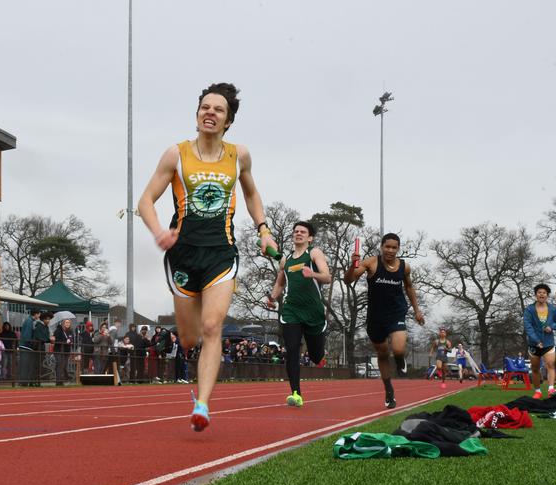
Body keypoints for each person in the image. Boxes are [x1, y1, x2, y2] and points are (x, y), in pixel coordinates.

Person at [137, 82, 278, 431]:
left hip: (221, 254)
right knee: (188, 339)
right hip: (182, 256)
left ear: (228, 121)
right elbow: (145, 202)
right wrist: (158, 232)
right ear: (197, 114)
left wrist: (263, 228)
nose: (210, 113)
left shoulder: (239, 156)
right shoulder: (176, 154)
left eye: (218, 109)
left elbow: (252, 193)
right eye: (205, 107)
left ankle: (202, 404)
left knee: (212, 326)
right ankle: (197, 380)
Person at [345, 233, 425, 409]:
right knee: (382, 353)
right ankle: (389, 390)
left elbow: (409, 287)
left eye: (394, 247)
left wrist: (417, 310)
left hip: (396, 313)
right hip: (375, 317)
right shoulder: (371, 263)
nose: (390, 250)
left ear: (398, 249)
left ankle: (399, 359)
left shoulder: (404, 267)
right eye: (387, 246)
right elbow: (348, 280)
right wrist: (353, 264)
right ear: (381, 247)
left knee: (398, 347)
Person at [267, 221, 332, 407]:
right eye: (296, 231)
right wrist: (272, 298)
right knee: (292, 349)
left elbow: (327, 277)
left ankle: (320, 354)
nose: (298, 234)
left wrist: (313, 274)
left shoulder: (314, 253)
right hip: (291, 310)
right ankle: (296, 394)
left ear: (310, 237)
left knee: (315, 356)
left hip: (313, 312)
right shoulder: (285, 260)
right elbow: (280, 283)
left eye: (303, 232)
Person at [523, 283, 556, 399]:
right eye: (539, 292)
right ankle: (537, 391)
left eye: (544, 293)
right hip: (534, 344)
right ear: (536, 295)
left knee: (551, 364)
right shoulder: (529, 310)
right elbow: (528, 327)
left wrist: (552, 326)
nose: (541, 294)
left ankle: (551, 389)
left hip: (548, 343)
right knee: (535, 368)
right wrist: (536, 341)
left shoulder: (553, 309)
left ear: (547, 295)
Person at [18, 309, 42, 386]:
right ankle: (23, 382)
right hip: (25, 346)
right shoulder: (29, 321)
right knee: (25, 365)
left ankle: (23, 381)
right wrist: (31, 343)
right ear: (35, 314)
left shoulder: (29, 321)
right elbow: (27, 335)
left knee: (25, 365)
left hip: (25, 346)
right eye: (39, 314)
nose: (39, 316)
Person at [53, 317, 74, 386]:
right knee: (60, 365)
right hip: (59, 350)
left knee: (64, 365)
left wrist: (70, 341)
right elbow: (56, 340)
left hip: (66, 351)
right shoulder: (58, 330)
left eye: (69, 322)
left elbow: (71, 339)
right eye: (66, 322)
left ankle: (62, 379)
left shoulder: (70, 331)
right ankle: (59, 381)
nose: (67, 324)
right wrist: (65, 341)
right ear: (63, 323)